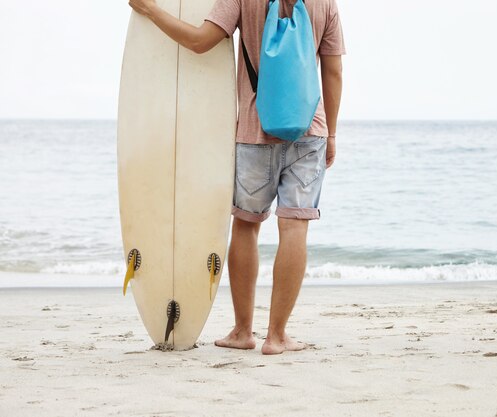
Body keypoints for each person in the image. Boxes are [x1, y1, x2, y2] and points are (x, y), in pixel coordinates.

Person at [128, 0, 345, 354]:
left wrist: (151, 10)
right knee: (295, 227)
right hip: (310, 132)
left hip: (253, 131)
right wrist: (332, 134)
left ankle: (243, 331)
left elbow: (200, 42)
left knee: (246, 225)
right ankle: (277, 337)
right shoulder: (325, 3)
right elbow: (332, 72)